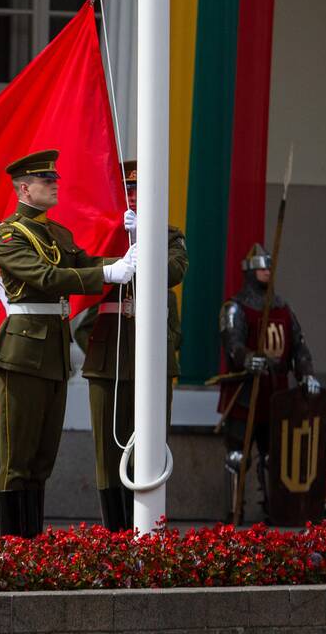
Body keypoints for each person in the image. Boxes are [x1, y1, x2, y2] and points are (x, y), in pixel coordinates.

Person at [0, 150, 136, 537]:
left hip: (53, 350)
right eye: (45, 181)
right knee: (17, 458)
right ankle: (12, 546)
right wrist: (110, 271)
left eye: (54, 179)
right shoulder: (8, 236)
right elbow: (47, 277)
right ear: (24, 188)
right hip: (22, 352)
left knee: (41, 459)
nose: (55, 185)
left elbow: (84, 262)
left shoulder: (58, 234)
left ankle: (31, 543)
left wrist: (132, 251)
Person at [78, 160, 188, 531]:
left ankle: (147, 531)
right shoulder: (104, 237)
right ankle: (115, 533)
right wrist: (97, 346)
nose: (137, 197)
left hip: (153, 359)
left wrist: (146, 240)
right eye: (130, 190)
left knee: (150, 448)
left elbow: (173, 272)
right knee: (108, 455)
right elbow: (82, 303)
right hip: (109, 358)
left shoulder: (169, 237)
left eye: (143, 190)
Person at [218, 243, 320, 522]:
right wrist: (248, 358)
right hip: (245, 391)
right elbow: (232, 343)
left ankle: (274, 510)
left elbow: (298, 346)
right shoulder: (235, 307)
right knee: (238, 457)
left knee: (274, 457)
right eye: (262, 267)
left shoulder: (283, 309)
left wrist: (307, 374)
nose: (266, 271)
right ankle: (234, 511)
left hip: (276, 394)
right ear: (250, 272)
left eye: (268, 267)